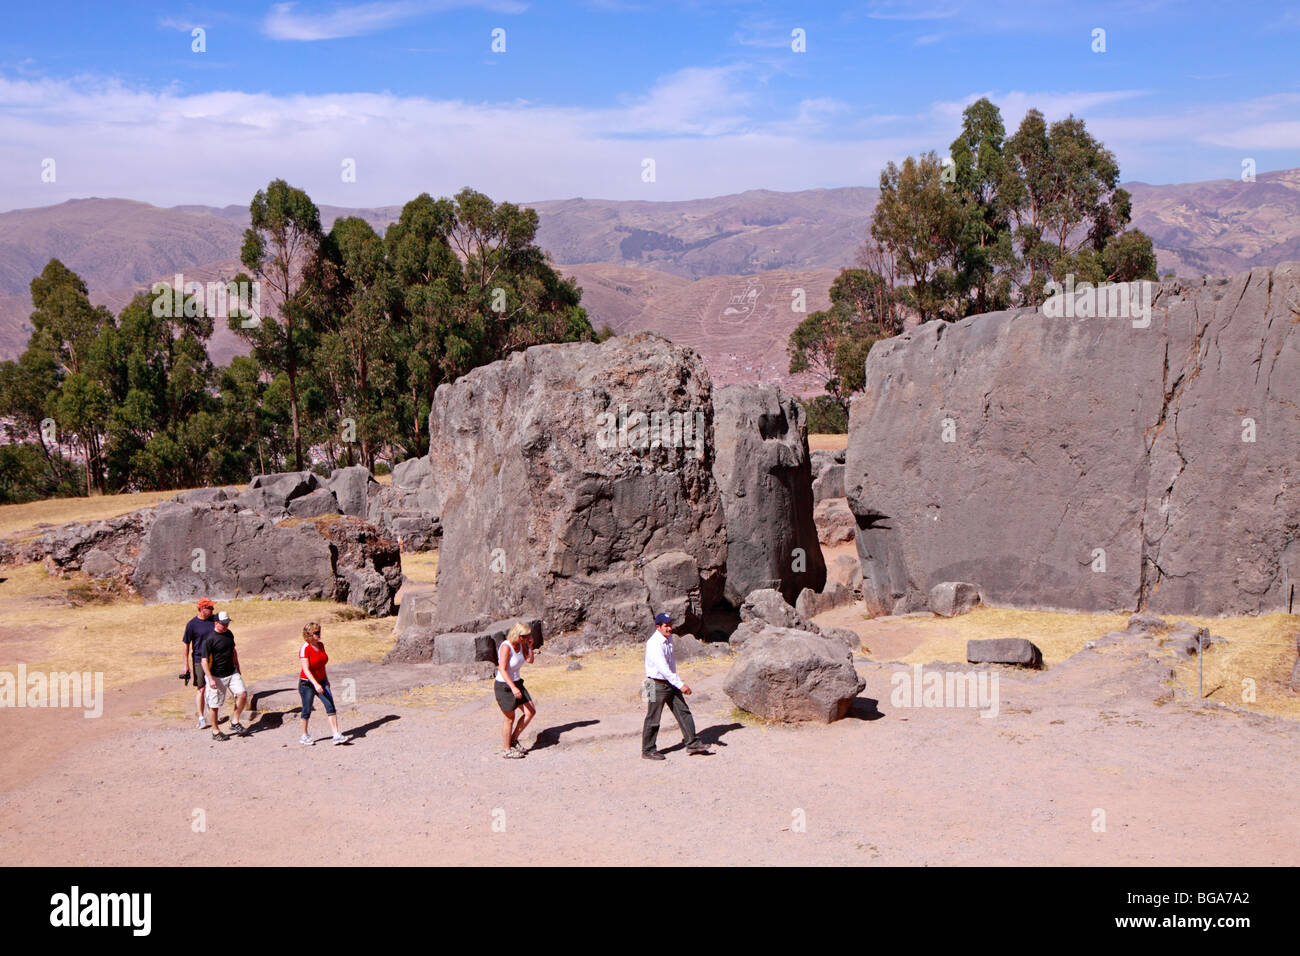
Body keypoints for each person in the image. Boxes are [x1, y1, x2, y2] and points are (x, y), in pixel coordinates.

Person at [642, 612, 710, 759]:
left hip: (670, 682)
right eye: (666, 626)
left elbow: (670, 664)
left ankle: (692, 743)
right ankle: (648, 750)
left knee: (683, 711)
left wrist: (675, 682)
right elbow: (662, 667)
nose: (669, 628)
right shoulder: (654, 643)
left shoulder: (668, 638)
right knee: (653, 718)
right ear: (658, 627)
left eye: (670, 625)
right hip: (655, 683)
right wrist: (680, 684)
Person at [202, 611, 250, 740]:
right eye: (223, 623)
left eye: (227, 623)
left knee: (242, 694)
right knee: (214, 705)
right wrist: (210, 679)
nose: (226, 625)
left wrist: (237, 666)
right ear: (216, 623)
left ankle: (235, 721)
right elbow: (204, 661)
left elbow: (233, 650)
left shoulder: (229, 634)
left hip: (232, 672)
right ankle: (215, 731)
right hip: (216, 676)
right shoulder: (209, 639)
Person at [298, 621, 347, 746]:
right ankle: (304, 735)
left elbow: (322, 664)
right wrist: (315, 684)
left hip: (321, 681)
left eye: (319, 632)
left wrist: (326, 679)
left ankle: (336, 734)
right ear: (309, 634)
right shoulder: (305, 649)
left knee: (330, 705)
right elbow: (306, 670)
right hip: (307, 684)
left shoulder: (321, 645)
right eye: (316, 633)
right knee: (307, 709)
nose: (319, 634)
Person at [494, 621, 536, 758]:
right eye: (525, 636)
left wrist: (530, 647)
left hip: (517, 683)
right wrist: (512, 688)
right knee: (509, 718)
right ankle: (507, 750)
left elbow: (530, 660)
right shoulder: (506, 647)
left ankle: (513, 739)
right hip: (505, 686)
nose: (527, 638)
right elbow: (502, 668)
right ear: (518, 635)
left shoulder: (521, 645)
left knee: (530, 712)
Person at [182, 598, 217, 729]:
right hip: (198, 659)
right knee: (201, 688)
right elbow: (186, 644)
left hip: (214, 658)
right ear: (202, 609)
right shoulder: (192, 624)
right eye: (210, 608)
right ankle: (201, 717)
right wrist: (186, 665)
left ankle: (212, 713)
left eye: (212, 608)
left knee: (214, 686)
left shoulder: (214, 620)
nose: (212, 610)